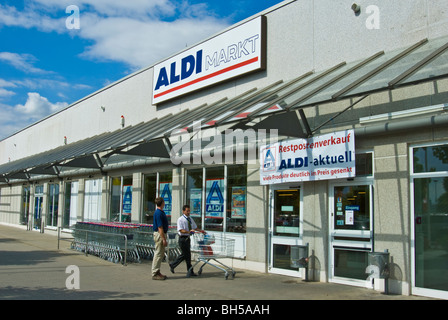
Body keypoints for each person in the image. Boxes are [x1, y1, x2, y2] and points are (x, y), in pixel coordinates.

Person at [169, 204, 204, 277]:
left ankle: (173, 265)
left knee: (186, 255)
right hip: (182, 238)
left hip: (188, 239)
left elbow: (195, 227)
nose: (188, 212)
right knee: (187, 255)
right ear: (183, 211)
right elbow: (181, 230)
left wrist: (201, 231)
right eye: (187, 211)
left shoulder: (190, 219)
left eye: (189, 211)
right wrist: (189, 232)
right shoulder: (180, 219)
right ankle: (190, 271)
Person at [152, 197, 169, 280]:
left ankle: (157, 271)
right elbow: (160, 227)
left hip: (161, 234)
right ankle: (155, 272)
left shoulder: (160, 212)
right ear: (162, 203)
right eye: (164, 202)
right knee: (158, 253)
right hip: (159, 234)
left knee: (160, 253)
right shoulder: (158, 213)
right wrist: (163, 239)